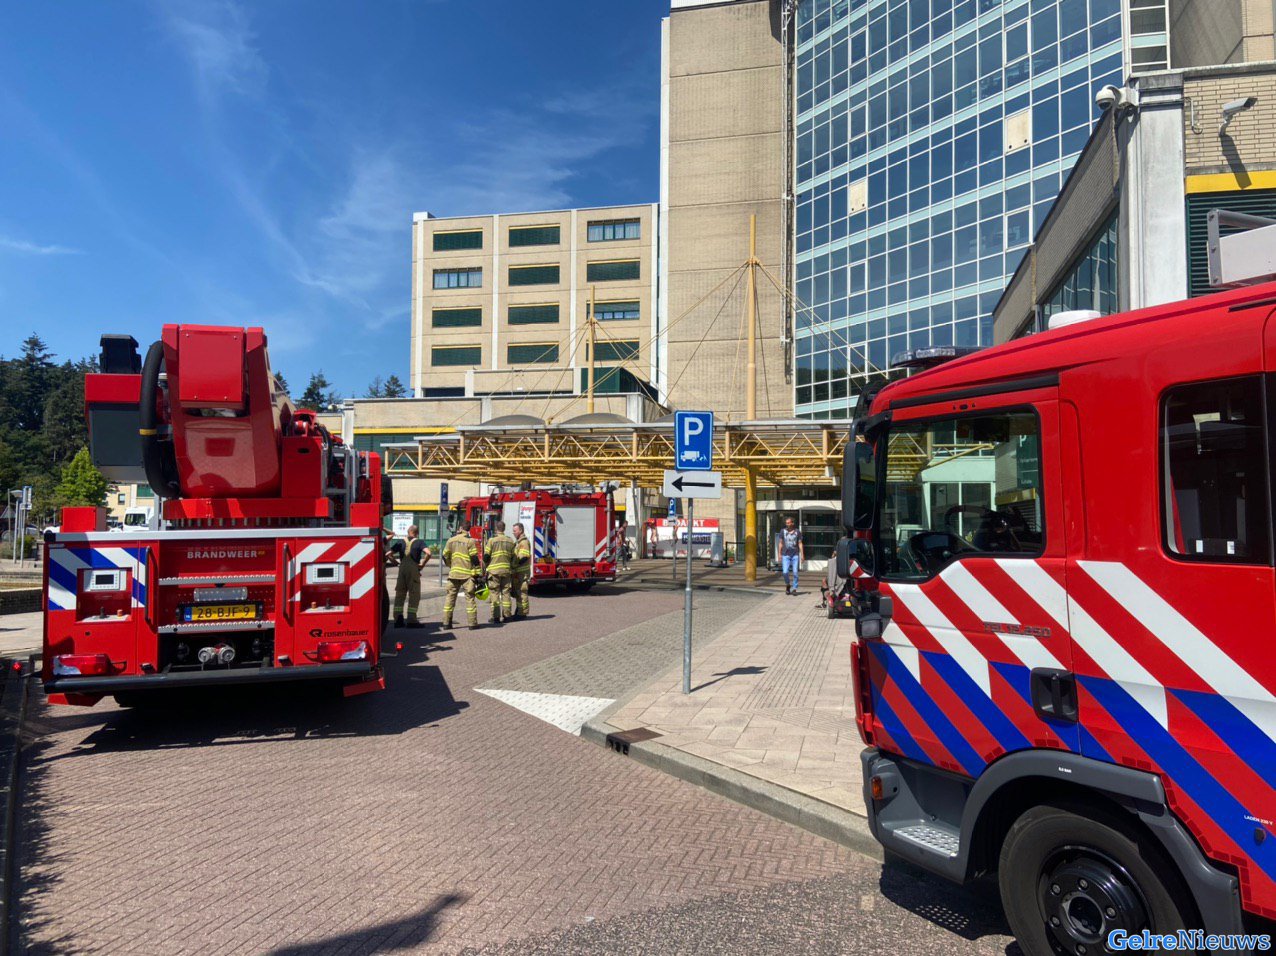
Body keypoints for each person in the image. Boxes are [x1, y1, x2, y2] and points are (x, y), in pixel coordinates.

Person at [441, 521, 480, 630]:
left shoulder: (451, 540)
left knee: (450, 598)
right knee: (470, 598)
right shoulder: (470, 541)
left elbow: (444, 555)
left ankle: (446, 623)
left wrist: (450, 565)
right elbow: (474, 558)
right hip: (467, 575)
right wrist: (478, 573)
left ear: (460, 528)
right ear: (468, 529)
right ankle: (472, 624)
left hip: (453, 574)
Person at [392, 526, 431, 628]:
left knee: (400, 594)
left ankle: (398, 619)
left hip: (402, 570)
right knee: (414, 594)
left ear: (408, 532)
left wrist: (396, 563)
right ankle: (411, 620)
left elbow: (388, 554)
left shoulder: (401, 542)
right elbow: (428, 553)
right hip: (413, 569)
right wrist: (422, 564)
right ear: (417, 533)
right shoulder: (419, 542)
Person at [484, 520, 516, 624]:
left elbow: (486, 556)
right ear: (504, 529)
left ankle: (496, 617)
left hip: (494, 572)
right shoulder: (510, 541)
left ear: (496, 529)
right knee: (506, 593)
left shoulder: (491, 540)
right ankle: (507, 616)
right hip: (506, 571)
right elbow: (514, 557)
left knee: (494, 593)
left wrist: (485, 567)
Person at [777, 516, 804, 596]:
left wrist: (802, 555)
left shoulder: (797, 532)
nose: (787, 524)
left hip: (795, 554)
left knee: (795, 572)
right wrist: (779, 554)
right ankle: (788, 584)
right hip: (785, 555)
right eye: (786, 523)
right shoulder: (782, 531)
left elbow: (800, 543)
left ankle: (794, 588)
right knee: (785, 572)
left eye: (789, 523)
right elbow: (780, 543)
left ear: (792, 523)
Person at [511, 522, 532, 617]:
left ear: (520, 530)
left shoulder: (523, 542)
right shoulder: (519, 542)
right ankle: (519, 611)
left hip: (522, 573)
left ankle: (522, 613)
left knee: (522, 593)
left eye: (515, 531)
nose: (513, 533)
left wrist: (515, 565)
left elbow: (524, 557)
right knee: (518, 593)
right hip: (519, 573)